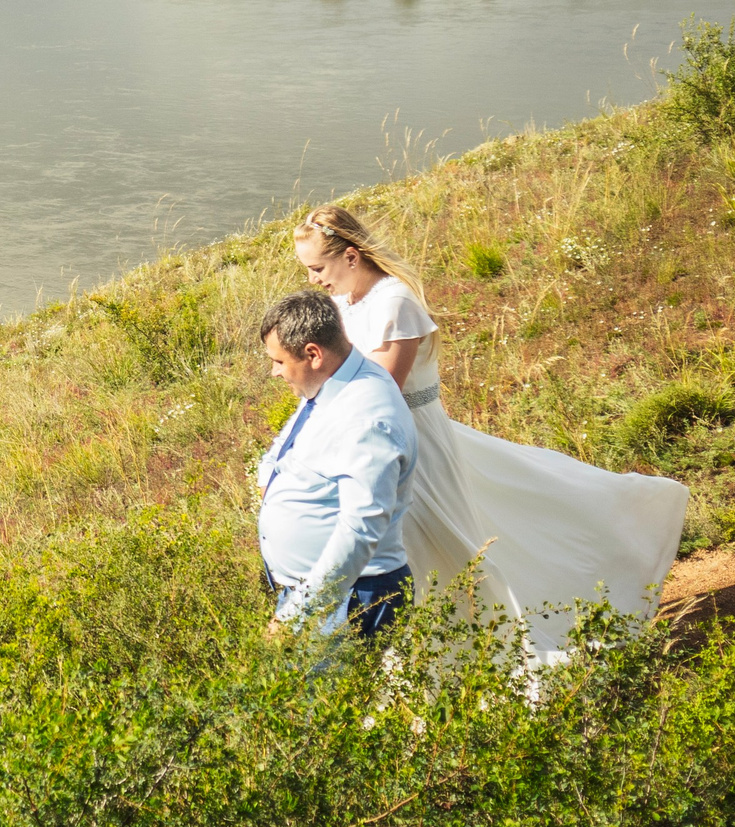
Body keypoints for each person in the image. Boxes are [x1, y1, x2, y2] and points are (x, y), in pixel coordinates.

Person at [292, 204, 688, 663]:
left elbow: (383, 391)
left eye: (317, 267)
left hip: (411, 439)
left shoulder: (394, 302)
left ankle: (489, 652)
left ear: (352, 256)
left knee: (440, 547)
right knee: (412, 547)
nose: (314, 279)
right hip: (369, 442)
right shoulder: (342, 304)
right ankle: (430, 660)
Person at [256, 288, 418, 644]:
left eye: (279, 361)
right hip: (321, 596)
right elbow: (289, 442)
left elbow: (360, 527)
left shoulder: (366, 418)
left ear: (313, 354)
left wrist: (298, 614)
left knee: (320, 702)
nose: (273, 372)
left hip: (348, 602)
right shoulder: (331, 385)